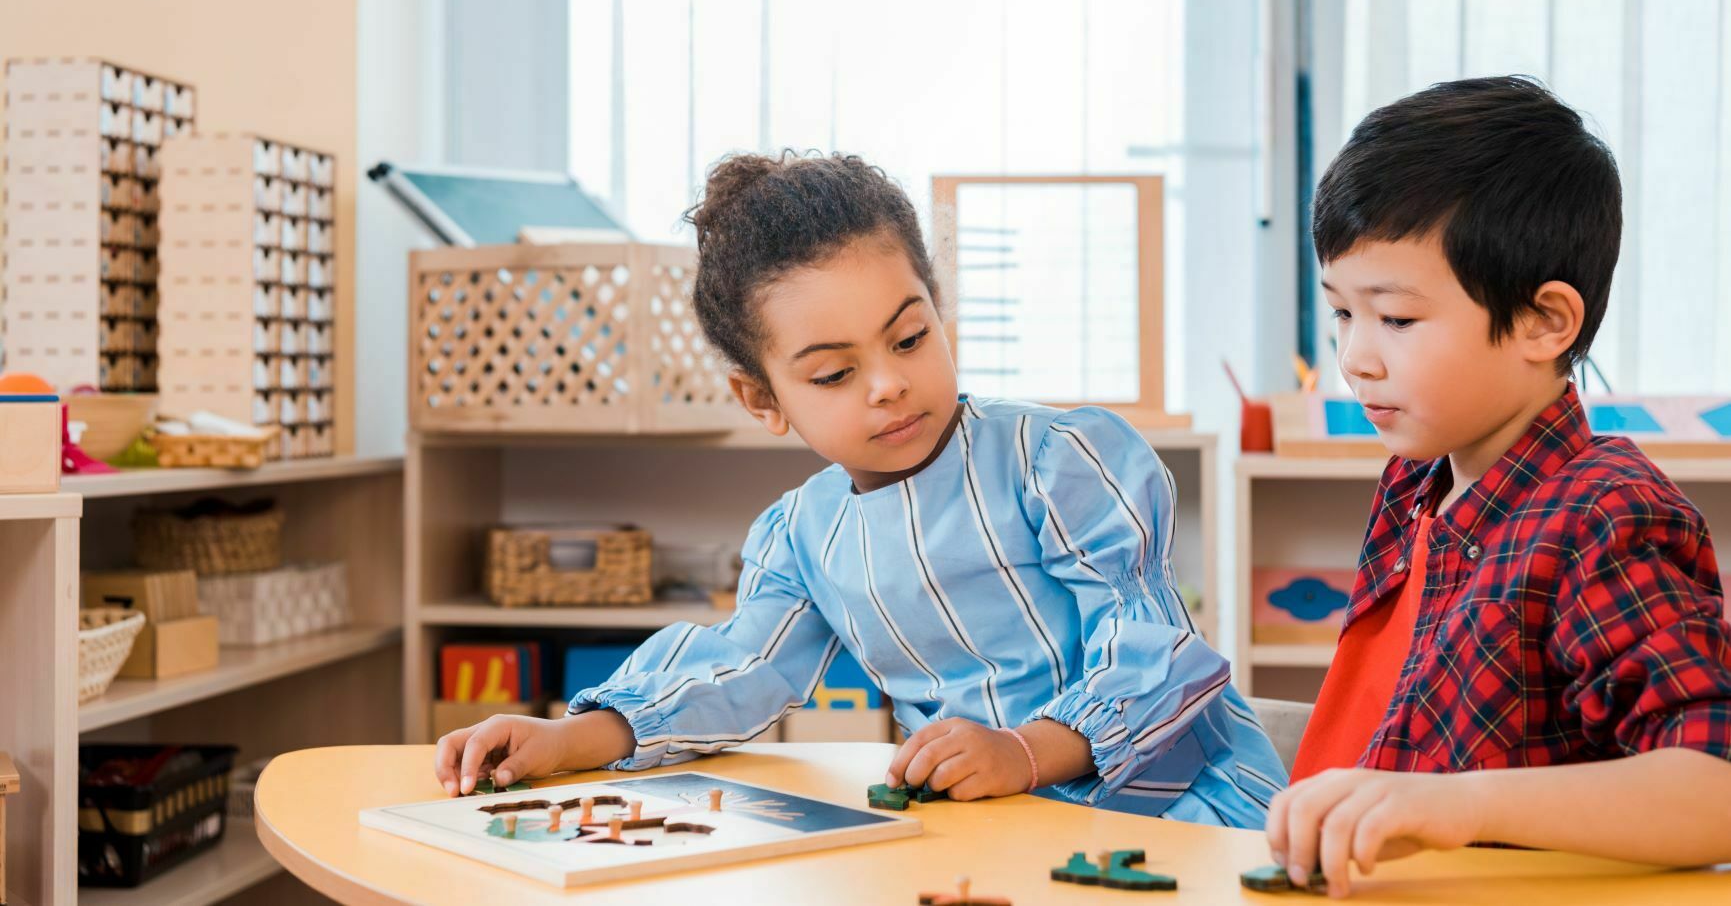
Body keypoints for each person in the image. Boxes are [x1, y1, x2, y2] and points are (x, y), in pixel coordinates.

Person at [435, 149, 1283, 824]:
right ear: (762, 398)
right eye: (835, 372)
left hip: (1174, 808)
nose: (886, 384)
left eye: (910, 338)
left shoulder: (1053, 458)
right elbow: (739, 668)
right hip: (997, 821)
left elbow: (1151, 651)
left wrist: (1023, 751)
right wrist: (568, 736)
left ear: (938, 308)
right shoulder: (801, 533)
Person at [1267, 77, 1731, 895]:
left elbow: (1714, 786)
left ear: (1543, 321)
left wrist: (1461, 805)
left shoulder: (1605, 510)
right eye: (1342, 313)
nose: (1355, 357)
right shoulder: (1417, 477)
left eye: (1396, 319)